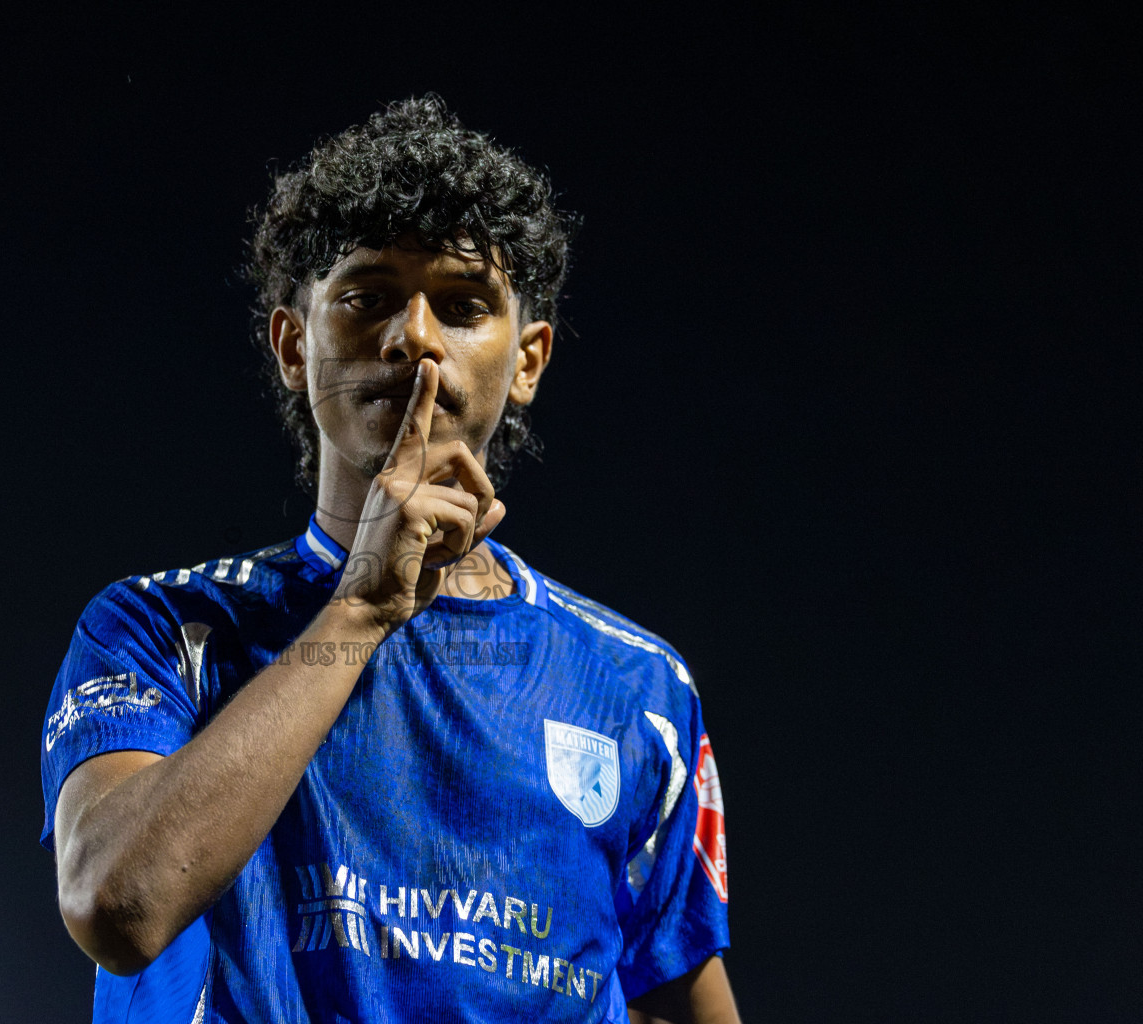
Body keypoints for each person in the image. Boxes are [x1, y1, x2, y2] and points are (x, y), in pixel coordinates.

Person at [39, 95, 738, 1024]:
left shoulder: (639, 686)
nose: (414, 338)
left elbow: (674, 998)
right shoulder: (162, 629)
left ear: (526, 361)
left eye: (462, 305)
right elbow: (117, 906)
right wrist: (359, 607)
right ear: (295, 345)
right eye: (367, 297)